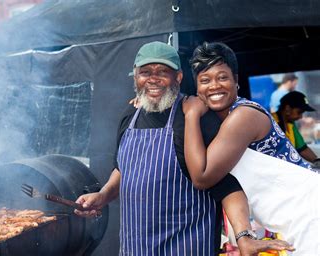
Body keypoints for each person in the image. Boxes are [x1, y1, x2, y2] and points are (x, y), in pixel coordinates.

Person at [74, 41, 290, 255]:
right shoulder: (129, 116)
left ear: (178, 77)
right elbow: (123, 169)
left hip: (186, 246)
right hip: (135, 247)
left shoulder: (195, 117)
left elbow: (228, 185)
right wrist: (102, 196)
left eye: (162, 72)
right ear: (135, 77)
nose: (153, 79)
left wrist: (244, 234)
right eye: (145, 72)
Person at [184, 41, 320, 255]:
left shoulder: (243, 116)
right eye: (205, 80)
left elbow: (202, 177)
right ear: (197, 87)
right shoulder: (219, 121)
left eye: (222, 77)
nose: (214, 86)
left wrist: (191, 114)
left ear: (236, 81)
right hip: (297, 218)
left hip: (310, 214)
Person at [273, 91, 320, 166]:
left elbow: (302, 148)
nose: (301, 117)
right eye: (299, 112)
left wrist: (316, 161)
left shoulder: (290, 124)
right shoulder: (271, 122)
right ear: (287, 109)